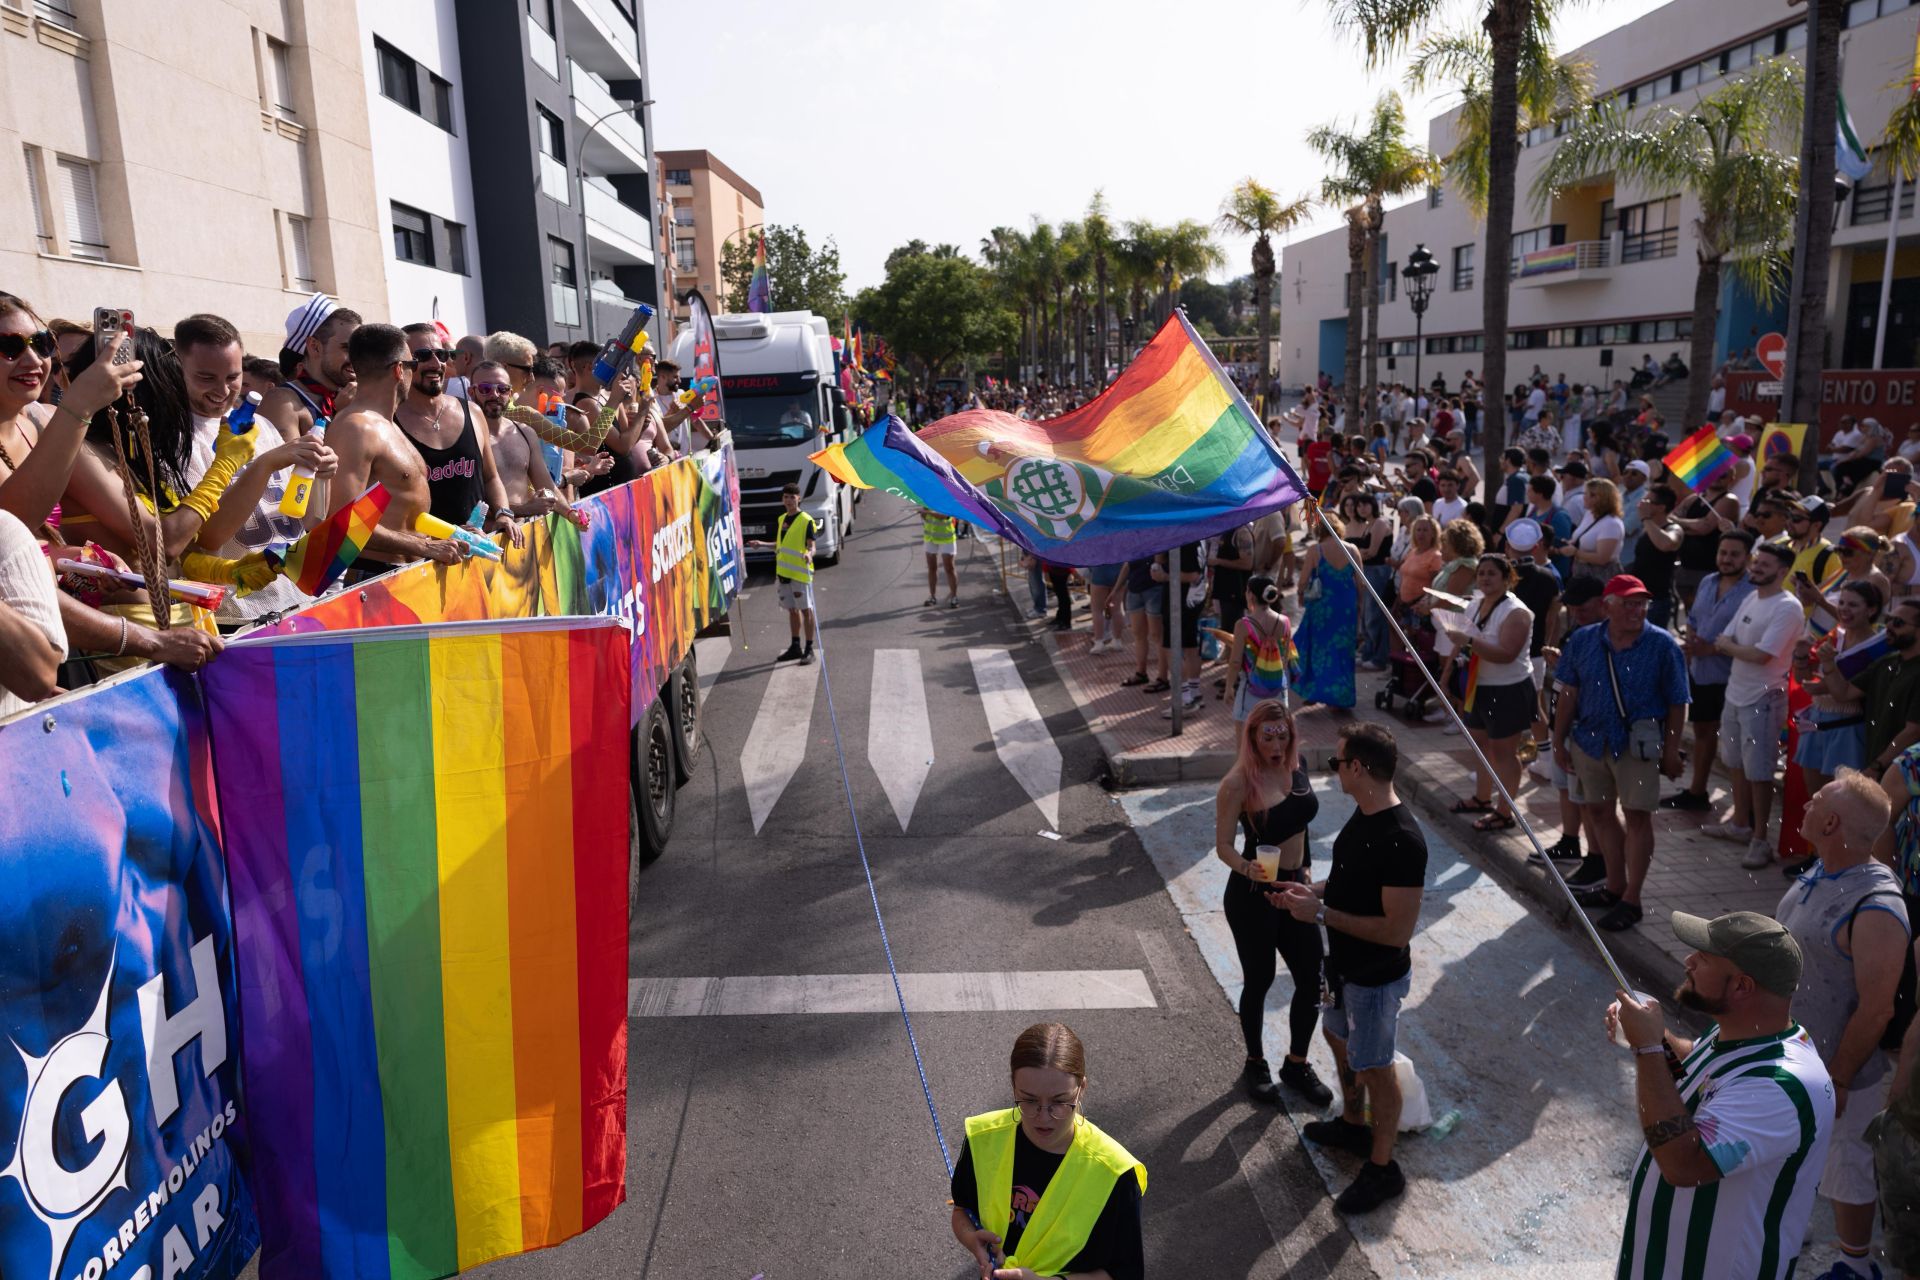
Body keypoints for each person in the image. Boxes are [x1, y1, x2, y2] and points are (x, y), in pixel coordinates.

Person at [1605, 911, 1833, 1280]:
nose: (1688, 961)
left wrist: (1648, 1049)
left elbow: (1684, 1164)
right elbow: (1696, 1079)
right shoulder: (1742, 1033)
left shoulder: (1780, 1087)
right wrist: (1656, 1039)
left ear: (1742, 986)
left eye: (1703, 958)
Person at [1277, 722, 1427, 1214]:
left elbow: (1395, 932)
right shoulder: (1363, 815)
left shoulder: (1403, 839)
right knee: (1337, 1037)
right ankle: (1353, 1125)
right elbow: (1349, 884)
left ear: (1358, 767)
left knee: (1376, 1068)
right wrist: (1309, 891)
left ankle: (1383, 1169)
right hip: (1339, 967)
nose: (1333, 770)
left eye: (1337, 762)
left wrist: (1318, 913)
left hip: (1375, 979)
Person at [1776, 773, 1908, 1280]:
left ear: (1831, 822)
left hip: (1838, 1072)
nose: (1806, 801)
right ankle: (1792, 1226)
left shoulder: (1876, 907)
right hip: (1797, 1058)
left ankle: (1857, 1264)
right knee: (1799, 1156)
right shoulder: (1823, 869)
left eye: (1817, 801)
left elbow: (1877, 1009)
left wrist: (1842, 1076)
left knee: (1846, 1168)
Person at [950, 1022, 1145, 1280]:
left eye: (1060, 1101)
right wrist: (970, 1238)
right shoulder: (982, 1138)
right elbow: (962, 1208)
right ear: (1013, 1086)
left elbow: (1125, 1274)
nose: (1043, 1117)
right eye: (1029, 1100)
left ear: (1082, 1089)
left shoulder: (1116, 1174)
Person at [1214, 700, 1332, 1107]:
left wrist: (1309, 875)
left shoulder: (1295, 767)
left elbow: (1300, 824)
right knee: (1260, 980)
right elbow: (1223, 846)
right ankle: (1255, 1061)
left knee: (1313, 978)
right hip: (1255, 896)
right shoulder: (1237, 783)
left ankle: (1296, 1063)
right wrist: (1247, 869)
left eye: (1283, 734)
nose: (1277, 743)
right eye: (1268, 736)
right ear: (1253, 737)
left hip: (1297, 890)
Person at [1556, 575, 1690, 932]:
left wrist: (1672, 750)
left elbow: (1679, 702)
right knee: (1598, 812)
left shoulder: (1662, 644)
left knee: (1637, 817)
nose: (1637, 610)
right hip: (1589, 739)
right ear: (1607, 606)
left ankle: (1632, 898)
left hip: (1636, 745)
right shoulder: (1583, 640)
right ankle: (1614, 886)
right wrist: (1558, 740)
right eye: (1628, 603)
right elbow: (1568, 692)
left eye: (1641, 603)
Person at [322, 323, 468, 571]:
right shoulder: (357, 428)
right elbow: (341, 523)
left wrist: (451, 534)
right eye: (413, 364)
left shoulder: (387, 425)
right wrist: (425, 547)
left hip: (405, 578)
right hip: (374, 580)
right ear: (400, 370)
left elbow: (404, 516)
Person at [1704, 541, 1809, 869]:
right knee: (1735, 763)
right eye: (1756, 562)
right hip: (1735, 693)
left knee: (1760, 772)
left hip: (1763, 699)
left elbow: (1761, 654)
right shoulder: (1751, 596)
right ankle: (1740, 825)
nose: (1756, 567)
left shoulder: (1788, 607)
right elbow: (1725, 638)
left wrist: (1730, 647)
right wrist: (1732, 646)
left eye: (1765, 564)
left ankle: (1761, 840)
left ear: (1782, 571)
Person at [394, 324, 519, 544]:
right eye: (423, 356)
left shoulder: (472, 411)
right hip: (422, 563)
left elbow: (490, 477)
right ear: (402, 363)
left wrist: (503, 513)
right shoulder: (390, 422)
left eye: (441, 354)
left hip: (478, 550)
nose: (436, 364)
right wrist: (442, 537)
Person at [1439, 555, 1535, 831]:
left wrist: (1469, 641)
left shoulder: (1517, 612)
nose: (1485, 578)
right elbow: (1460, 642)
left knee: (1504, 751)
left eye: (1491, 574)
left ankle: (1505, 811)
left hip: (1507, 689)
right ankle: (1482, 798)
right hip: (1476, 686)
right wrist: (1445, 677)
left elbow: (1506, 654)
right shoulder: (1475, 604)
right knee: (1480, 745)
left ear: (1507, 578)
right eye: (1481, 573)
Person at [1665, 531, 1757, 811]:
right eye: (1723, 553)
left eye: (1734, 554)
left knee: (1737, 743)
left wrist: (1713, 649)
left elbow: (1752, 638)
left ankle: (1746, 809)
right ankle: (1697, 791)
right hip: (1702, 672)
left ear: (1748, 558)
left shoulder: (1754, 591)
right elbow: (1693, 619)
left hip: (1736, 677)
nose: (1726, 559)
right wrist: (1692, 642)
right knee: (1704, 731)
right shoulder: (1707, 581)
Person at [260, 292, 359, 443]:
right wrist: (340, 416)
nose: (357, 358)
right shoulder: (281, 401)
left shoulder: (351, 398)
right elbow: (288, 466)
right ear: (315, 347)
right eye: (347, 348)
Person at [470, 362, 565, 516]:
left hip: (524, 532)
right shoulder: (464, 437)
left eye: (502, 389)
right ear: (472, 392)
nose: (494, 395)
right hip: (485, 535)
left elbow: (547, 485)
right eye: (485, 389)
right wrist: (524, 509)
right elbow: (467, 503)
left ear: (510, 392)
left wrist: (570, 513)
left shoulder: (525, 432)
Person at [745, 481, 816, 663]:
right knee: (792, 610)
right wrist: (762, 544)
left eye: (792, 497)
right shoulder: (782, 519)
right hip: (784, 573)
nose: (789, 500)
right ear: (782, 499)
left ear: (799, 498)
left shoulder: (806, 520)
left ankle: (809, 649)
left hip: (800, 574)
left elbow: (812, 546)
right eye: (786, 497)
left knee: (806, 610)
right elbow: (781, 545)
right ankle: (795, 646)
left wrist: (809, 554)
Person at [1296, 518, 1358, 709]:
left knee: (1319, 650)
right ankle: (1341, 697)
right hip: (1346, 606)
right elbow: (1360, 583)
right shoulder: (1353, 549)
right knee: (1343, 651)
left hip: (1323, 607)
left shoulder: (1316, 550)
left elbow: (1303, 580)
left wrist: (1300, 596)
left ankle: (1316, 691)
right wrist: (1359, 607)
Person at [1225, 575, 1293, 720]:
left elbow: (1235, 662)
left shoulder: (1243, 625)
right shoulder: (1285, 622)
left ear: (1251, 596)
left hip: (1250, 690)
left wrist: (1229, 687)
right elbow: (1285, 659)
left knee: (1244, 739)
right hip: (1278, 690)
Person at [1152, 540, 1205, 713]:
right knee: (1190, 646)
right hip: (1192, 598)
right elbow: (1159, 560)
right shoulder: (1197, 535)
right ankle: (1193, 692)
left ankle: (1184, 698)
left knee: (1172, 647)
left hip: (1181, 601)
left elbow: (1192, 575)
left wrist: (1166, 576)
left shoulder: (1185, 540)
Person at [1563, 478, 1626, 583]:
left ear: (1603, 499)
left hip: (1600, 577)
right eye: (1585, 493)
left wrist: (1575, 552)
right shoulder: (1590, 514)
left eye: (1590, 495)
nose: (1584, 497)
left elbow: (1602, 559)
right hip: (1581, 572)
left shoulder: (1611, 524)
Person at [1118, 557, 1162, 690]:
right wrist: (1116, 590)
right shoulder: (1133, 540)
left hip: (1155, 589)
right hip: (1135, 590)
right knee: (1138, 633)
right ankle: (1141, 672)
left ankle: (1162, 677)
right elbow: (1127, 565)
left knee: (1157, 635)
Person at [920, 505, 959, 608]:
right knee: (932, 568)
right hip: (930, 537)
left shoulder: (946, 497)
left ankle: (954, 597)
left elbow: (943, 516)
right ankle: (932, 597)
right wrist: (923, 512)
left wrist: (928, 512)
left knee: (949, 568)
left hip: (947, 538)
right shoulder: (925, 498)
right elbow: (924, 516)